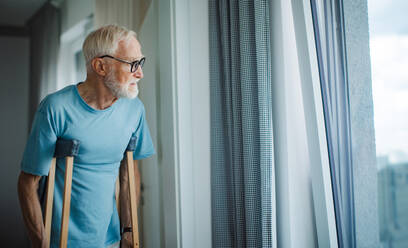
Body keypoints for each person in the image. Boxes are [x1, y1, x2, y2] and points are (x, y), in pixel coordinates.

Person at [17, 24, 155, 248]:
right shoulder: (56, 108)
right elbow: (27, 183)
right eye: (132, 64)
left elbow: (129, 174)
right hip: (60, 239)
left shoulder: (134, 109)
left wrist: (128, 231)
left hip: (109, 238)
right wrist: (40, 243)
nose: (140, 73)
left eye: (140, 63)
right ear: (100, 66)